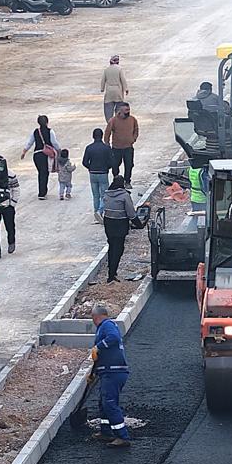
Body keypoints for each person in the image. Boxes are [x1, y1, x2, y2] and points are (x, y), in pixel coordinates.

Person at [89, 303, 131, 448]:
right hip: (107, 371)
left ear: (96, 317)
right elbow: (102, 355)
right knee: (103, 402)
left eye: (92, 317)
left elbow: (114, 338)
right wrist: (94, 372)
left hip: (114, 372)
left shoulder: (107, 325)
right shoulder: (104, 327)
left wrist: (98, 346)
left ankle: (122, 436)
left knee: (110, 403)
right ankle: (106, 431)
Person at [102, 176, 141, 282]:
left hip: (108, 223)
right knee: (118, 249)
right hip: (120, 224)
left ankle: (111, 270)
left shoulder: (107, 194)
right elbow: (131, 214)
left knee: (111, 246)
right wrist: (139, 224)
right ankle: (112, 275)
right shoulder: (124, 196)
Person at [21, 115, 59, 199]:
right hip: (46, 154)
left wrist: (24, 152)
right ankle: (42, 192)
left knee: (41, 172)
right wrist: (59, 150)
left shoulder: (35, 131)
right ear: (47, 122)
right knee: (45, 173)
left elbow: (29, 142)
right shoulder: (50, 131)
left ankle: (42, 191)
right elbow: (54, 142)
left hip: (37, 155)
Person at [0, 158, 19, 257]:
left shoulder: (11, 174)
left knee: (10, 226)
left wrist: (12, 204)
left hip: (7, 206)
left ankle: (11, 242)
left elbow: (16, 189)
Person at [81, 128, 113, 223]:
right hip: (103, 172)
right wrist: (107, 167)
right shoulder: (106, 148)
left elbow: (84, 162)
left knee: (95, 195)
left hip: (93, 173)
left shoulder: (89, 148)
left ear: (93, 136)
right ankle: (100, 211)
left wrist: (90, 167)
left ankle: (96, 214)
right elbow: (112, 162)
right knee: (104, 194)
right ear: (102, 136)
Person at [104, 102, 140, 184]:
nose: (128, 112)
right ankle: (116, 180)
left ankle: (127, 181)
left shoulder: (132, 119)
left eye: (129, 110)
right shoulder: (113, 120)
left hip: (128, 147)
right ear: (120, 110)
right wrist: (107, 143)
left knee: (129, 165)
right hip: (116, 148)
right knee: (115, 165)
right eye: (126, 110)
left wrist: (133, 139)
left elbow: (136, 129)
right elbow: (107, 132)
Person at [101, 56, 129, 122]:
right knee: (119, 106)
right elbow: (123, 80)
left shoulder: (106, 70)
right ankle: (118, 121)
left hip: (109, 91)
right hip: (118, 91)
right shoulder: (119, 69)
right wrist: (126, 89)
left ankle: (109, 122)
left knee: (108, 108)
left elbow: (103, 80)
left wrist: (102, 88)